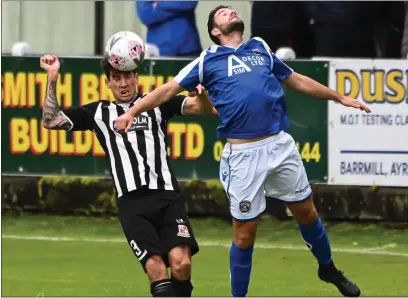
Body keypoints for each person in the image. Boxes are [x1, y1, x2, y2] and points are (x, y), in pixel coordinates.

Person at [113, 5, 371, 297]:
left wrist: (339, 97)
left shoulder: (259, 47)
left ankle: (328, 268)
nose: (231, 12)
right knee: (245, 235)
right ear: (214, 30)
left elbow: (296, 79)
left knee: (308, 213)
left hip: (279, 145)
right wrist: (133, 111)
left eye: (232, 10)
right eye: (223, 13)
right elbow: (168, 90)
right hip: (244, 156)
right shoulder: (208, 59)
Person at [40, 54, 214, 297]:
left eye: (127, 77)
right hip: (132, 204)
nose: (122, 84)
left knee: (181, 264)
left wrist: (202, 94)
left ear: (136, 78)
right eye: (116, 78)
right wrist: (52, 77)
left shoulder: (157, 103)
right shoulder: (98, 112)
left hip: (167, 197)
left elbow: (204, 109)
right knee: (155, 267)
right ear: (107, 83)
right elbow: (51, 120)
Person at [136, 1, 202, 57]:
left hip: (188, 47)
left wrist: (158, 3)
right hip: (159, 51)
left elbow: (189, 3)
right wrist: (179, 9)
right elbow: (146, 15)